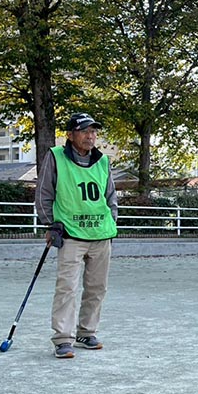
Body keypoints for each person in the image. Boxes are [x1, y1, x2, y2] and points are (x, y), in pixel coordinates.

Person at [35, 112, 119, 358]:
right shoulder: (55, 156)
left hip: (101, 235)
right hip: (70, 234)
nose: (90, 136)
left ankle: (87, 332)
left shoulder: (103, 161)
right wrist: (50, 225)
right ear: (70, 135)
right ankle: (63, 338)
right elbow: (43, 193)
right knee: (67, 288)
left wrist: (111, 223)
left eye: (93, 131)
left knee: (97, 288)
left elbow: (110, 196)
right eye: (84, 131)